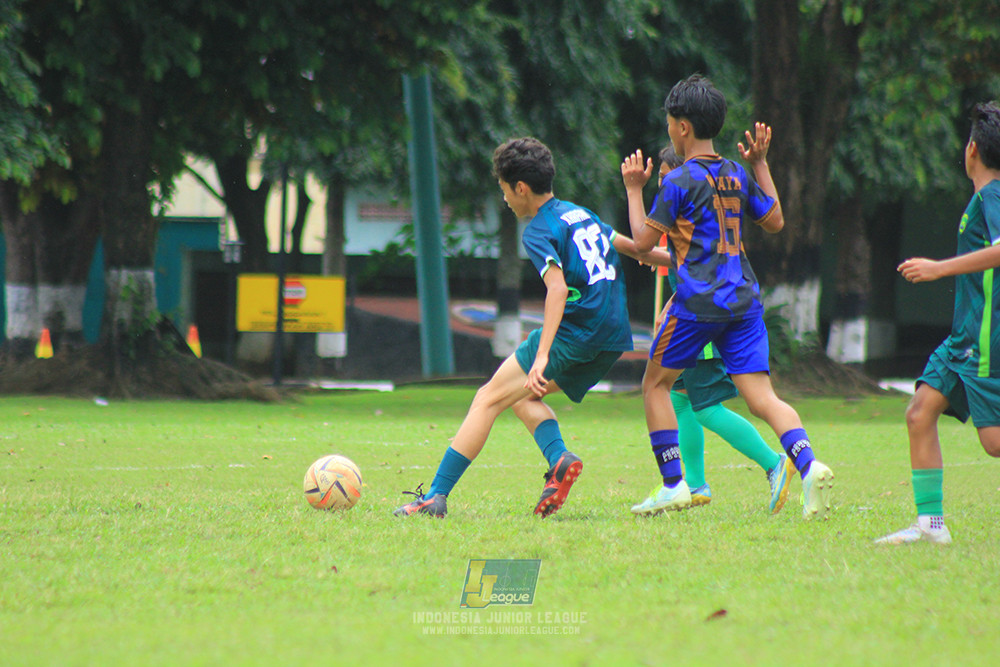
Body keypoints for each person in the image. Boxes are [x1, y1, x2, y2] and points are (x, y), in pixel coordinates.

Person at [395, 136, 670, 518]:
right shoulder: (579, 213)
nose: (505, 198)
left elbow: (557, 290)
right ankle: (559, 461)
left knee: (488, 398)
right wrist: (677, 260)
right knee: (522, 397)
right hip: (612, 338)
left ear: (521, 188)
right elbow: (637, 248)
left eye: (505, 190)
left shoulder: (539, 230)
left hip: (576, 330)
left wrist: (541, 356)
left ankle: (435, 498)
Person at [620, 74, 834, 520]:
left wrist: (634, 189)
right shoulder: (736, 173)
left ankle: (674, 485)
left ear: (681, 127)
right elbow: (775, 221)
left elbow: (642, 244)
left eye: (669, 125)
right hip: (744, 304)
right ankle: (808, 464)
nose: (669, 132)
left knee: (655, 385)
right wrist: (761, 164)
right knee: (762, 398)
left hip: (698, 303)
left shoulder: (678, 180)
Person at [629, 145, 792, 516]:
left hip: (700, 324)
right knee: (681, 400)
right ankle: (696, 483)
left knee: (703, 407)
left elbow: (667, 257)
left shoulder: (693, 207)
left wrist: (630, 248)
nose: (664, 184)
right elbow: (663, 255)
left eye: (666, 176)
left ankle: (773, 462)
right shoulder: (687, 214)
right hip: (699, 317)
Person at [876, 101, 1000, 545]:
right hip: (962, 339)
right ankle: (930, 525)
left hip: (987, 337)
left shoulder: (993, 196)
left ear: (972, 151)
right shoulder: (983, 197)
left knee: (993, 442)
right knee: (920, 411)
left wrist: (939, 268)